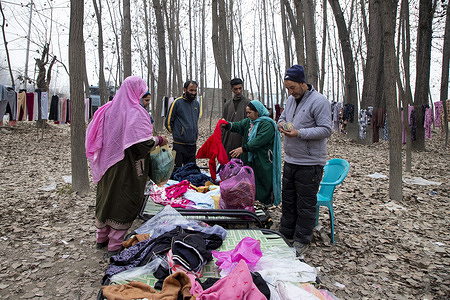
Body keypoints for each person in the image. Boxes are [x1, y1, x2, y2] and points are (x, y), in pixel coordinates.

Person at [86, 76, 168, 256]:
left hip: (107, 164)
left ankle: (101, 238)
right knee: (123, 201)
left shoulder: (107, 109)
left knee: (106, 198)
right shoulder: (135, 112)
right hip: (127, 168)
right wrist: (159, 140)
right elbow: (141, 145)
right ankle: (115, 246)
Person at [277, 65, 332, 254]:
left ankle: (302, 238)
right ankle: (286, 233)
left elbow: (326, 129)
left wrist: (299, 133)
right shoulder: (290, 100)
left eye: (293, 87)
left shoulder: (319, 101)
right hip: (291, 159)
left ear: (303, 83)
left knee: (305, 203)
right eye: (287, 88)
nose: (290, 92)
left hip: (310, 163)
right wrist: (280, 125)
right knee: (289, 199)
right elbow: (283, 117)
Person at [221, 100, 281, 206]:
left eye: (249, 112)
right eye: (247, 113)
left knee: (262, 180)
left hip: (263, 159)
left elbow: (259, 140)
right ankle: (250, 202)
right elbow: (238, 125)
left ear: (257, 111)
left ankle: (263, 203)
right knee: (249, 180)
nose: (248, 115)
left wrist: (243, 149)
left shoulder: (267, 124)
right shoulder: (249, 122)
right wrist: (227, 125)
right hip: (250, 158)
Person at [165, 80, 200, 169]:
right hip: (179, 144)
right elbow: (168, 122)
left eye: (195, 90)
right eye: (191, 90)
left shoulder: (196, 104)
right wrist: (178, 133)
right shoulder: (177, 103)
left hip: (192, 144)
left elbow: (195, 120)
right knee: (177, 170)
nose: (193, 93)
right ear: (185, 90)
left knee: (190, 170)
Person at [221, 78, 251, 160]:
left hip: (242, 141)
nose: (238, 91)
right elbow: (223, 124)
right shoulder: (227, 105)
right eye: (235, 89)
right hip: (228, 141)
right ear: (231, 89)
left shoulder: (248, 103)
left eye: (240, 88)